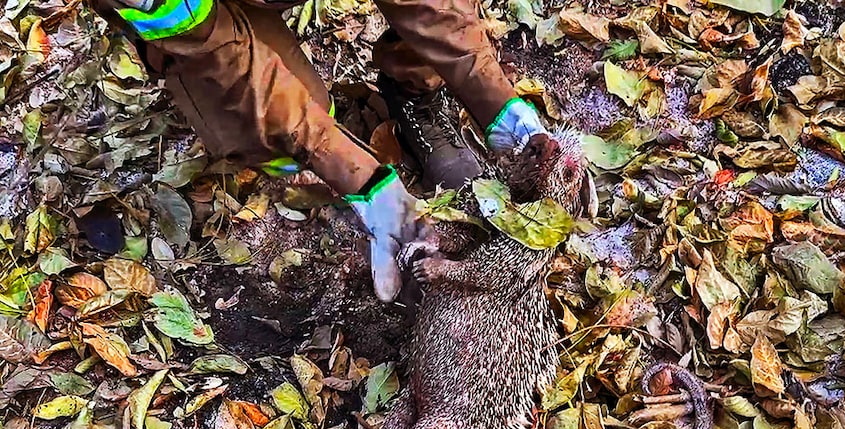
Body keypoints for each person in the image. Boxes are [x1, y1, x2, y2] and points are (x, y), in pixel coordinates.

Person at [92, 0, 550, 302]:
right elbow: (221, 58)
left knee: (432, 26)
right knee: (283, 122)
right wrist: (355, 175)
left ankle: (413, 90)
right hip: (202, 23)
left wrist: (497, 101)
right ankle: (303, 164)